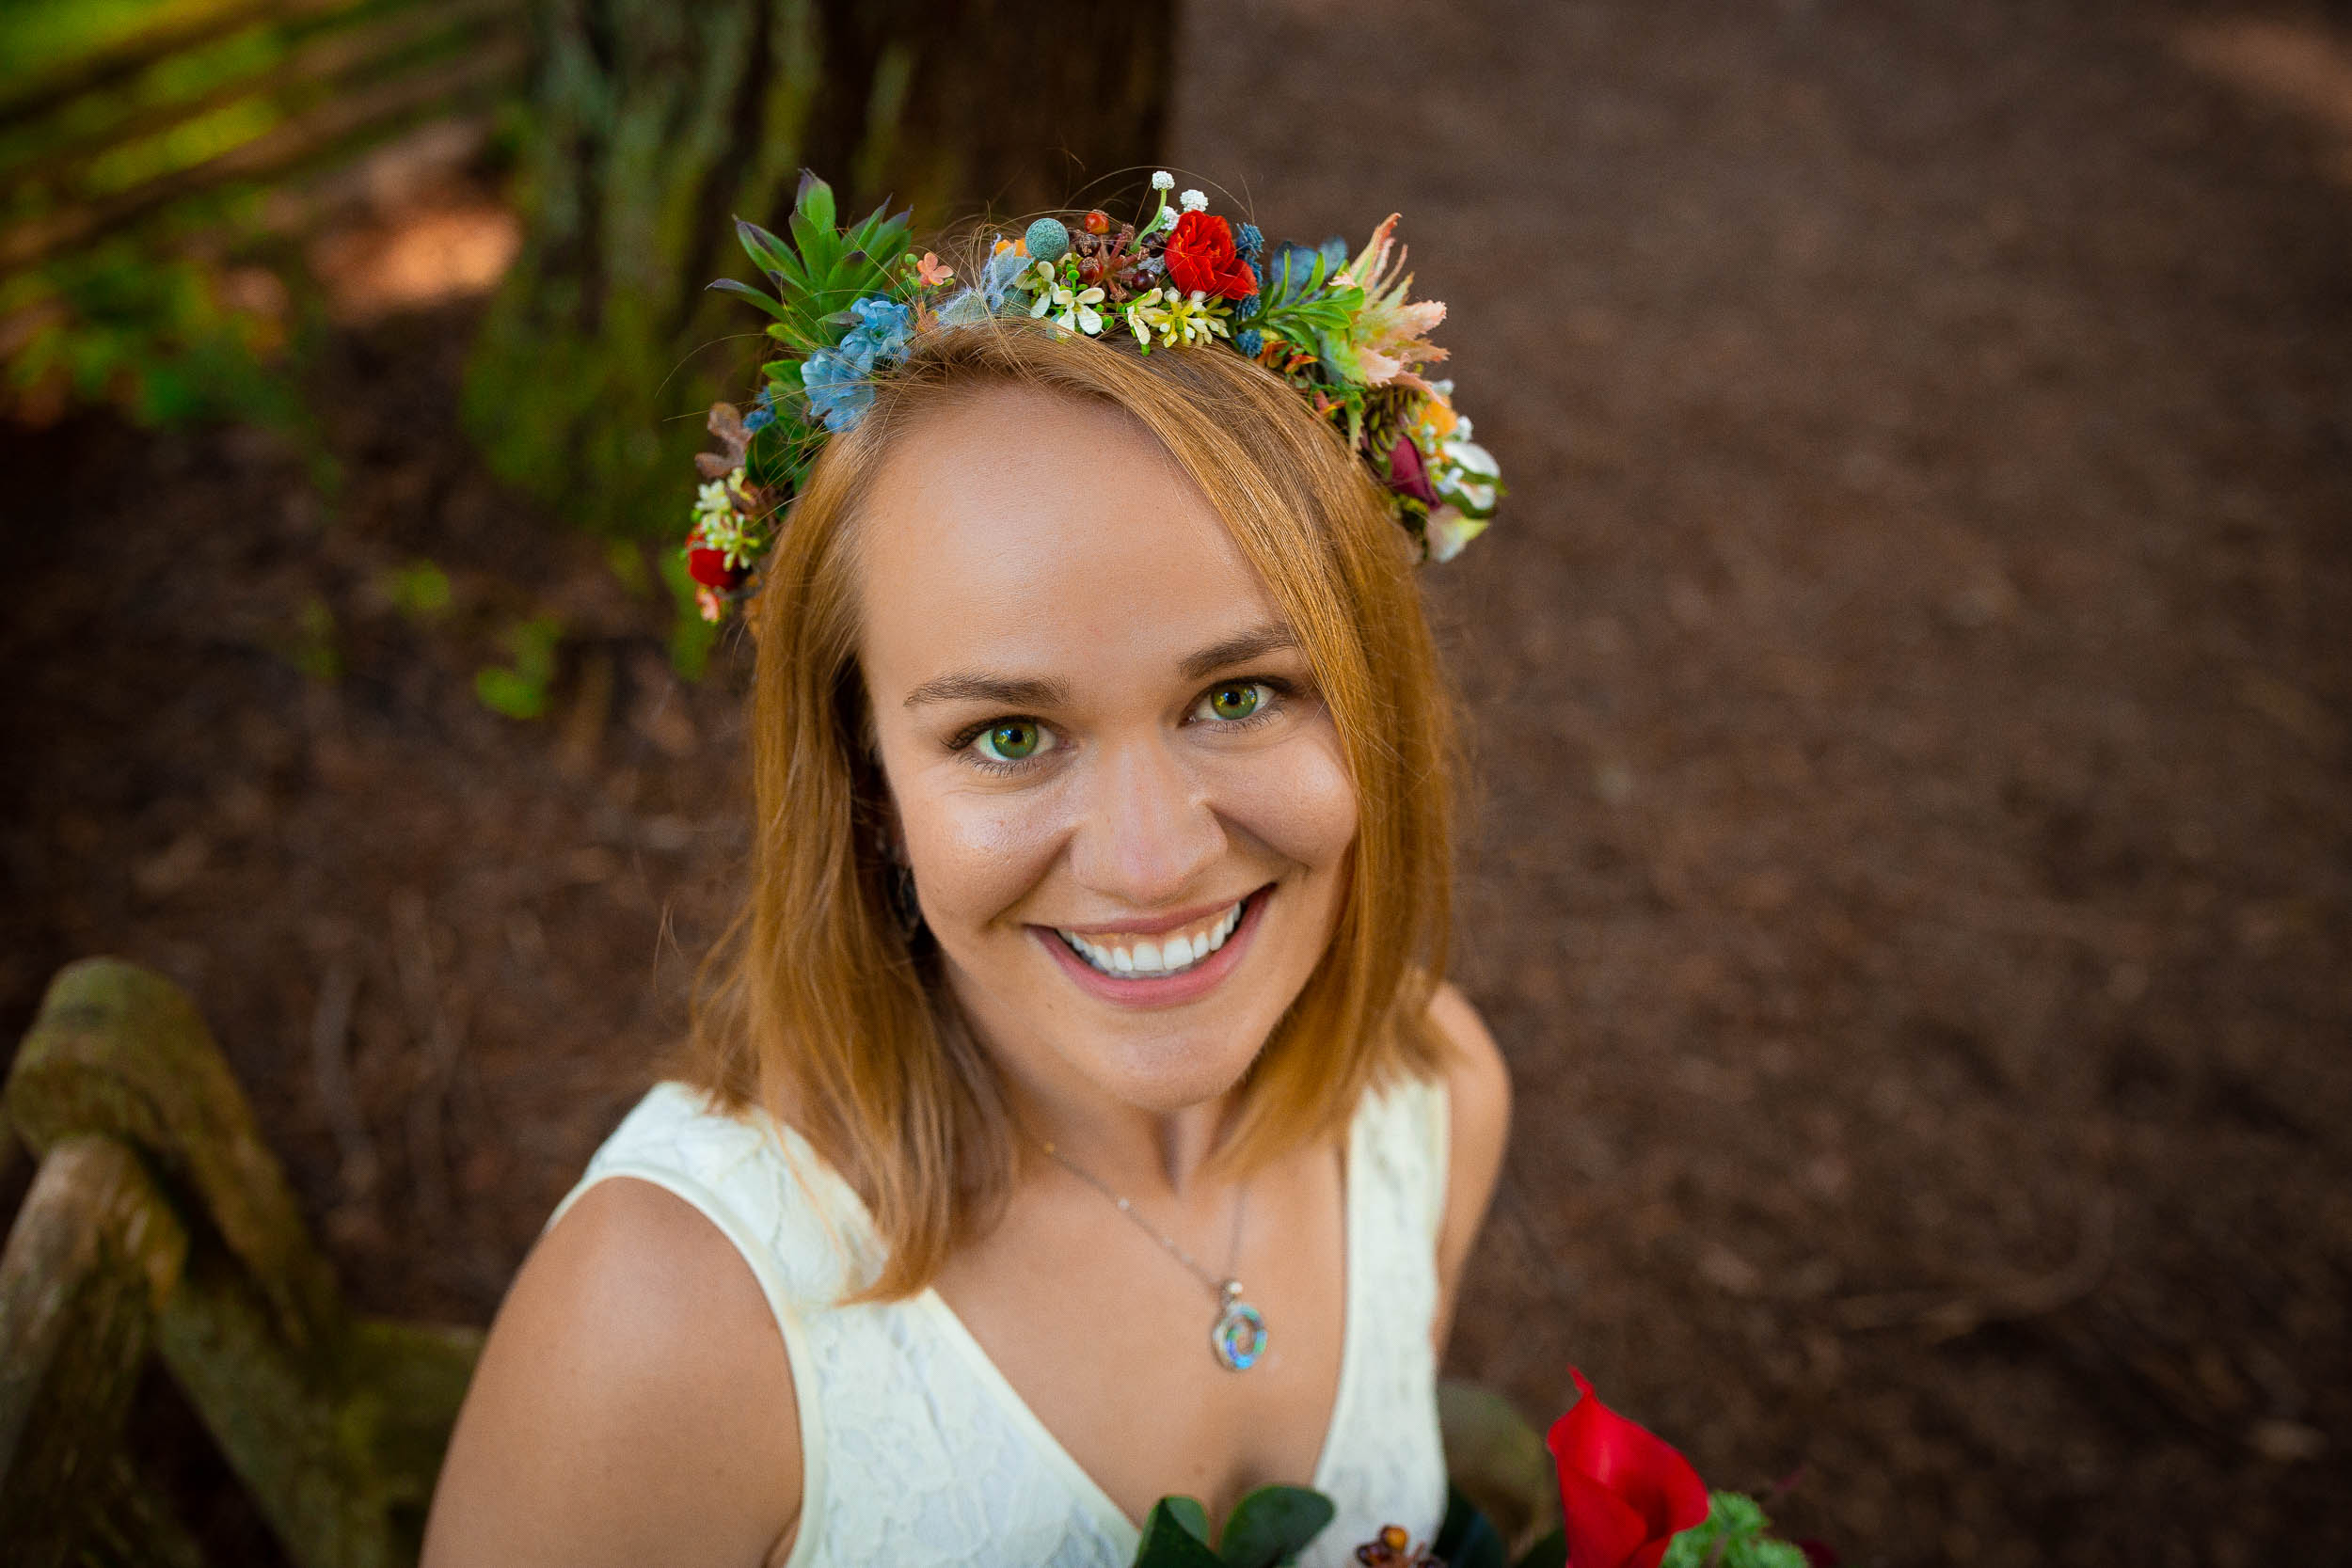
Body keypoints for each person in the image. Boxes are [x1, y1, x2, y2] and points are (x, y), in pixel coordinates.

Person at [421, 178, 1511, 1568]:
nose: (1151, 859)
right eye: (1010, 735)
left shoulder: (1432, 1104)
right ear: (868, 785)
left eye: (1239, 696)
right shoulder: (678, 1324)